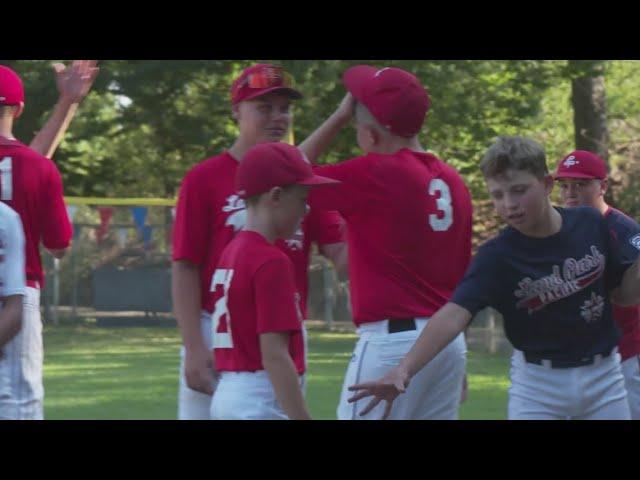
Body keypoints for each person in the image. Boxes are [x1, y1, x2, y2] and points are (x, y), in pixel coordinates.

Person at [349, 136, 640, 420]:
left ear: (547, 184)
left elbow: (623, 295)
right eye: (498, 194)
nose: (509, 204)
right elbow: (453, 315)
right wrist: (405, 368)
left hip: (604, 376)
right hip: (539, 385)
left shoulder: (589, 225)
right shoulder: (497, 256)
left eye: (519, 190)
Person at [172, 63, 347, 420]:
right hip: (217, 329)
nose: (278, 117)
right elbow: (185, 265)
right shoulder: (204, 178)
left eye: (284, 108)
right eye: (264, 107)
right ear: (237, 111)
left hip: (282, 330)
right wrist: (193, 345)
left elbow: (342, 259)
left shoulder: (303, 183)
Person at [299, 65, 473, 419]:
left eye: (356, 127)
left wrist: (338, 116)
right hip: (446, 340)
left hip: (392, 342)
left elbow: (284, 171)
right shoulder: (453, 182)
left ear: (372, 136)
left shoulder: (374, 173)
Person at [210, 142, 339, 420]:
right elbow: (275, 356)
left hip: (228, 394)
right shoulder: (272, 260)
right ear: (276, 196)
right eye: (302, 199)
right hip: (260, 397)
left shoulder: (231, 251)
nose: (306, 210)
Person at [0, 62, 97, 419]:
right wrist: (67, 103)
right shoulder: (38, 169)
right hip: (17, 293)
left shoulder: (35, 166)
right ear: (19, 109)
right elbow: (58, 246)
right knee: (19, 403)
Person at [555, 149, 640, 419]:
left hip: (623, 354)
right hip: (571, 356)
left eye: (580, 184)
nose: (570, 192)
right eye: (564, 185)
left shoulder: (625, 231)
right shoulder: (555, 229)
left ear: (602, 186)